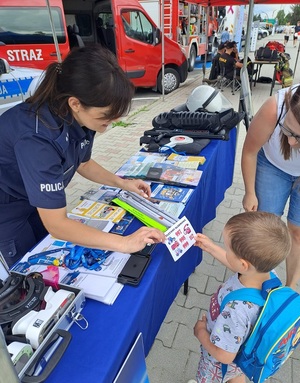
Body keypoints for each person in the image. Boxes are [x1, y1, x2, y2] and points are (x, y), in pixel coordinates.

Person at [0, 45, 166, 268]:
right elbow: (57, 225)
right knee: (26, 271)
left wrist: (123, 183)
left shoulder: (80, 118)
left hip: (35, 199)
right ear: (75, 103)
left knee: (47, 254)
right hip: (8, 208)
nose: (112, 121)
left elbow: (83, 162)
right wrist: (124, 243)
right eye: (106, 116)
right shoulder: (38, 139)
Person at [188, 211, 291, 383]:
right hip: (243, 356)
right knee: (236, 376)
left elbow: (225, 356)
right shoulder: (268, 275)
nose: (225, 251)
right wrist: (210, 247)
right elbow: (239, 267)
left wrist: (201, 333)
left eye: (227, 249)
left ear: (243, 264)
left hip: (218, 362)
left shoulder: (237, 309)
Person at [241, 84, 300, 290]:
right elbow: (249, 151)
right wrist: (250, 192)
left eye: (299, 137)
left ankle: (289, 290)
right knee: (266, 229)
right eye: (288, 130)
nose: (292, 142)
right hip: (272, 167)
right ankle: (258, 283)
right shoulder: (275, 108)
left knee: (297, 232)